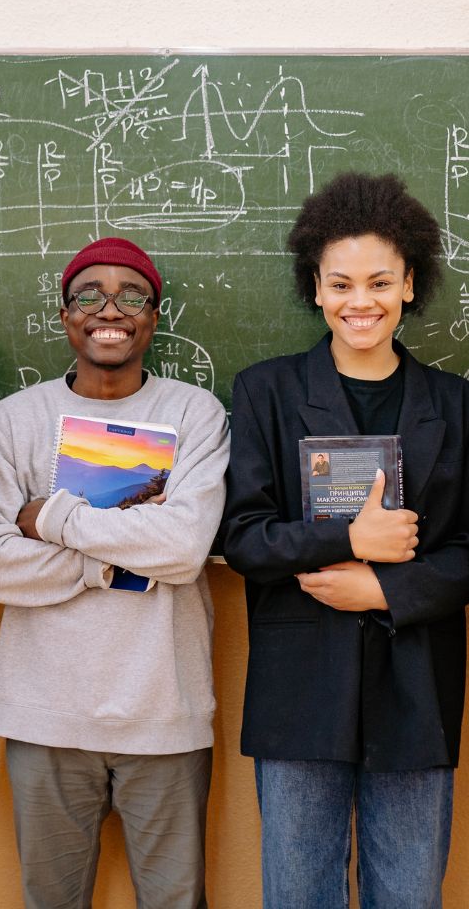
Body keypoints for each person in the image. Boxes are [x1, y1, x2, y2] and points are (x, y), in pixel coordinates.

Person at [0, 236, 229, 909]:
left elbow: (182, 549)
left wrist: (51, 517)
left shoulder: (195, 415)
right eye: (90, 296)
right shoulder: (13, 421)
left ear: (155, 315)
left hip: (164, 714)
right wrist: (105, 566)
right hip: (45, 717)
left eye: (131, 295)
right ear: (64, 315)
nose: (111, 310)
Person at [222, 172, 469, 909]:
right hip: (301, 688)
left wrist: (387, 588)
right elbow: (244, 538)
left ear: (410, 284)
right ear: (316, 289)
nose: (361, 302)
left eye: (380, 282)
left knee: (409, 896)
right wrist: (348, 539)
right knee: (298, 895)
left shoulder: (457, 406)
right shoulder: (265, 391)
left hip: (416, 684)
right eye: (340, 283)